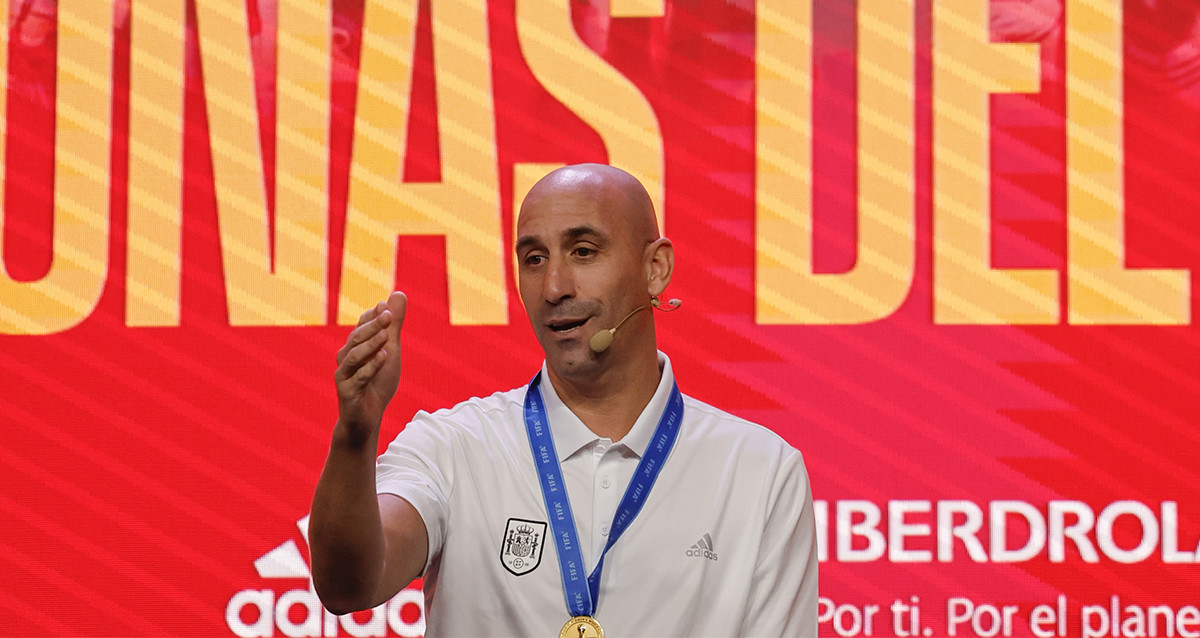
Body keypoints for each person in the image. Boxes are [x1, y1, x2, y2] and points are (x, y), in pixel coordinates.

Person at [309, 163, 818, 636]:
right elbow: (349, 585)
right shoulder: (454, 446)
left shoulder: (761, 472)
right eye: (534, 259)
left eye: (584, 251)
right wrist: (355, 436)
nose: (554, 287)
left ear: (656, 269)